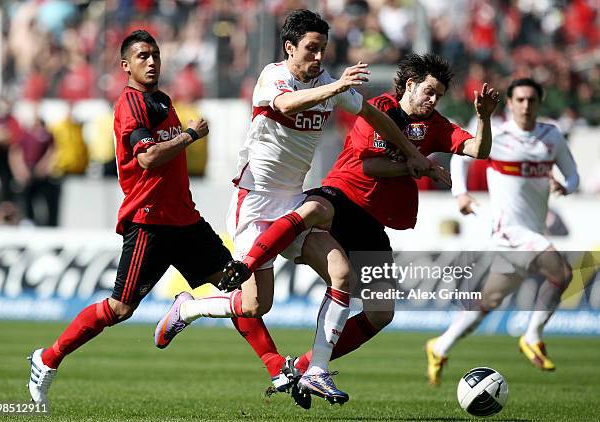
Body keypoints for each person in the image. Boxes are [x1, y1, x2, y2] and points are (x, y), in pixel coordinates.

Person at [155, 10, 435, 406]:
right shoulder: (274, 77)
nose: (318, 58)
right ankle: (191, 307)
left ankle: (317, 370)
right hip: (254, 201)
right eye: (311, 49)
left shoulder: (327, 83)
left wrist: (411, 153)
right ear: (290, 48)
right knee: (255, 304)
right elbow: (287, 105)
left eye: (323, 50)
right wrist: (336, 87)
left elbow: (375, 117)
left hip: (294, 200)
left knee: (341, 273)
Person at [225, 53, 499, 408]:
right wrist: (419, 167)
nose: (433, 100)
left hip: (372, 222)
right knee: (312, 210)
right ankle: (246, 264)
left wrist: (484, 118)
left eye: (439, 96)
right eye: (429, 91)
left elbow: (479, 149)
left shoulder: (436, 124)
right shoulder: (378, 108)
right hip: (341, 195)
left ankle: (304, 368)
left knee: (381, 312)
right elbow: (370, 165)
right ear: (411, 84)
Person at [26, 30, 232, 406]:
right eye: (142, 56)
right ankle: (48, 358)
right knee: (120, 308)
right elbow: (148, 158)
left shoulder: (163, 100)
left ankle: (281, 371)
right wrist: (189, 135)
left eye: (155, 54)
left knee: (236, 286)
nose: (151, 61)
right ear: (126, 66)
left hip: (184, 219)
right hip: (149, 222)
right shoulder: (131, 105)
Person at [425, 78, 579, 385]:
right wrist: (461, 194)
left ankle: (439, 345)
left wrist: (566, 186)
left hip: (531, 231)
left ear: (539, 102)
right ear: (509, 104)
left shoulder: (551, 137)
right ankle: (532, 336)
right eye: (519, 100)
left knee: (488, 302)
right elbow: (460, 159)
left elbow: (573, 174)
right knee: (562, 273)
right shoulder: (499, 134)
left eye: (531, 100)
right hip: (509, 231)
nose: (525, 105)